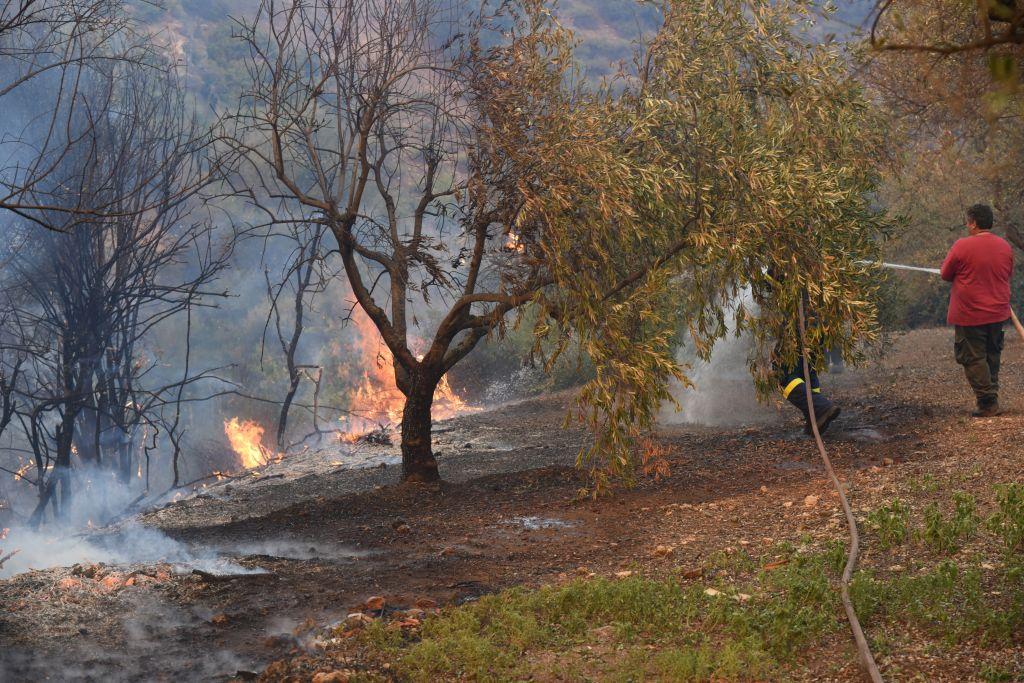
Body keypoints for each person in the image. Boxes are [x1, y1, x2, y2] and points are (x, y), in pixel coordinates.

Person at [940, 203, 1014, 417]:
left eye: (967, 221)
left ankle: (987, 403)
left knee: (973, 358)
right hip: (998, 311)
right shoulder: (1005, 247)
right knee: (992, 354)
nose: (966, 225)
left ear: (973, 223)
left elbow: (945, 274)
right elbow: (1006, 273)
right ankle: (992, 397)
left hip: (970, 313)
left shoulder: (962, 246)